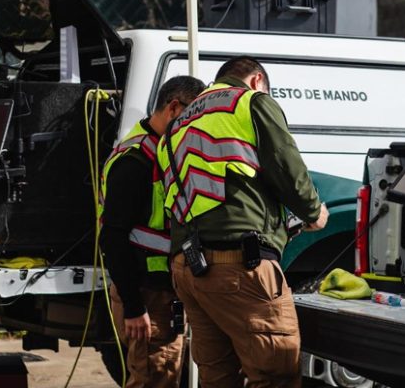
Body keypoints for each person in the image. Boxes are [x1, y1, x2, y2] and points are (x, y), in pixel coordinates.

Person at [157, 56, 329, 388]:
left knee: (218, 379)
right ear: (255, 80)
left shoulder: (177, 125)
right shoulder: (249, 102)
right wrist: (312, 212)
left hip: (188, 269)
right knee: (274, 374)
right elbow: (286, 165)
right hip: (239, 268)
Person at [100, 75, 206, 388]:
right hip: (146, 296)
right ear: (174, 108)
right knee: (152, 379)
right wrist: (134, 307)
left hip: (159, 293)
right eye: (193, 117)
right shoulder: (135, 162)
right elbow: (113, 237)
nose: (196, 128)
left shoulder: (159, 150)